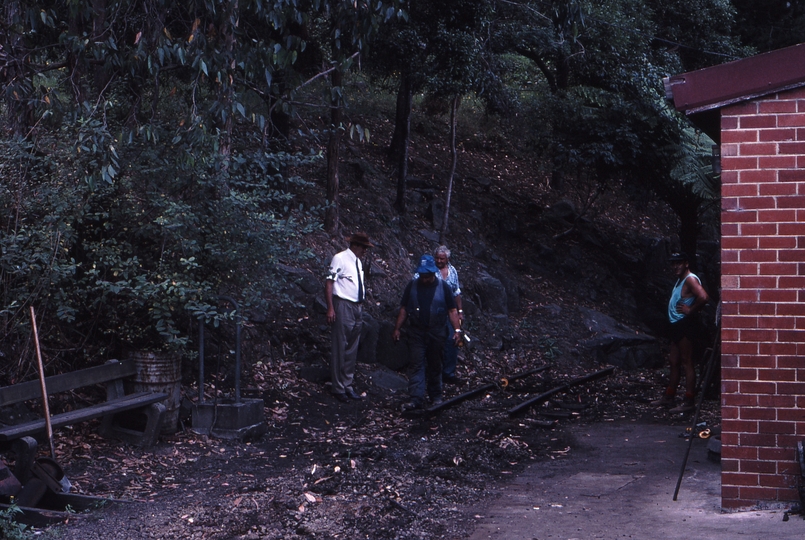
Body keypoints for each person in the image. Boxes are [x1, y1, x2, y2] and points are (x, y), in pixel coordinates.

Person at [393, 254, 463, 411]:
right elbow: (404, 309)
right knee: (417, 364)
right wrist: (397, 328)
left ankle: (436, 396)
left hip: (437, 332)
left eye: (428, 275)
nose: (425, 279)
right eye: (422, 275)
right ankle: (416, 398)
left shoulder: (443, 287)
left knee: (435, 364)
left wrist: (457, 330)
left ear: (433, 273)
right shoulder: (412, 286)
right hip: (417, 332)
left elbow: (452, 310)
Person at [652, 252, 709, 413]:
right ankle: (669, 397)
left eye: (679, 263)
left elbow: (704, 297)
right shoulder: (681, 280)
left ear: (686, 263)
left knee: (686, 361)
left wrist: (690, 310)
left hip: (685, 325)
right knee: (674, 361)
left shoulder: (690, 279)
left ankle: (689, 401)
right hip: (676, 325)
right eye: (673, 263)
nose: (675, 266)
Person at [325, 232, 373, 403]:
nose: (365, 251)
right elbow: (329, 282)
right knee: (340, 345)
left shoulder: (358, 262)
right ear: (356, 246)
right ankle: (337, 387)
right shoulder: (340, 258)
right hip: (343, 304)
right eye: (364, 248)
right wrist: (331, 307)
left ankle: (347, 384)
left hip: (357, 307)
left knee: (352, 347)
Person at [433, 246, 464, 384]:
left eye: (442, 258)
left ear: (447, 259)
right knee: (435, 342)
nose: (439, 261)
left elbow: (456, 292)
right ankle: (434, 373)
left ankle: (449, 373)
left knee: (453, 339)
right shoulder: (430, 270)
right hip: (434, 312)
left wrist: (460, 311)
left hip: (450, 312)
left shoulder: (452, 272)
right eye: (437, 258)